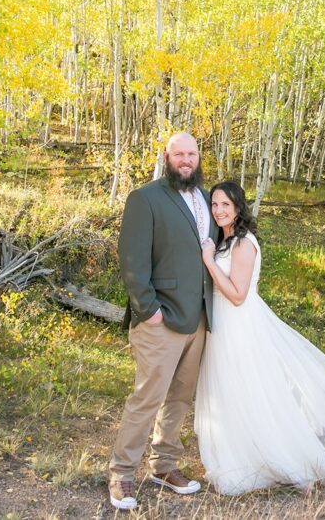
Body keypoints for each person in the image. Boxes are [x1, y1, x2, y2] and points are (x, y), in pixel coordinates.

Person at [195, 181, 325, 495]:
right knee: (233, 393)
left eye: (225, 205)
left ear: (238, 207)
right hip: (224, 328)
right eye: (214, 205)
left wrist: (208, 261)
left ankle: (287, 459)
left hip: (240, 325)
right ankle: (244, 450)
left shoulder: (243, 243)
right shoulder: (226, 240)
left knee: (253, 393)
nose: (218, 211)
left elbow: (238, 295)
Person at [107, 132, 219, 511]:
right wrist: (148, 310)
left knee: (180, 397)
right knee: (147, 396)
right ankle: (122, 472)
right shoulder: (146, 198)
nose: (186, 160)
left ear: (199, 158)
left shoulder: (207, 198)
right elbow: (132, 260)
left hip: (199, 318)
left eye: (192, 154)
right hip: (160, 319)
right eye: (179, 154)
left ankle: (164, 465)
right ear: (167, 157)